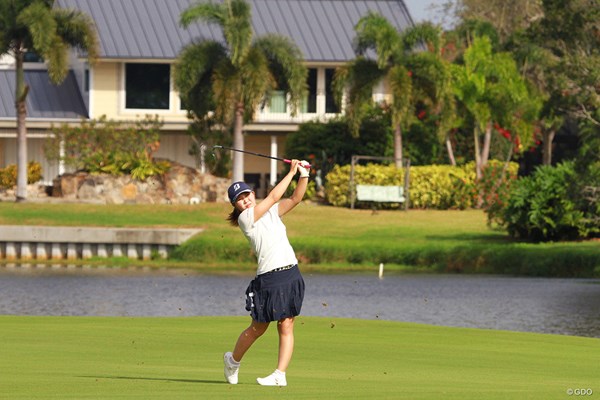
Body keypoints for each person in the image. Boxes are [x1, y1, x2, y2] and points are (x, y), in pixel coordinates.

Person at [223, 159, 310, 387]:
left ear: (253, 193)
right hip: (269, 278)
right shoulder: (246, 219)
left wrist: (304, 175)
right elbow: (272, 197)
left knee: (286, 324)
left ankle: (280, 375)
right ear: (236, 205)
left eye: (247, 195)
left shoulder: (270, 212)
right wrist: (291, 172)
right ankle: (233, 361)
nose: (245, 200)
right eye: (239, 199)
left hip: (290, 272)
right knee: (258, 328)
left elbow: (295, 199)